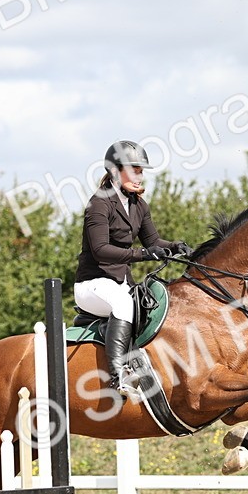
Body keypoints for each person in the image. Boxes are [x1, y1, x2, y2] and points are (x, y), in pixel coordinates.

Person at [75, 140, 192, 397]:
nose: (140, 176)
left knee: (151, 304)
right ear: (116, 171)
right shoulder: (99, 203)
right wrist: (142, 254)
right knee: (123, 304)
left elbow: (153, 242)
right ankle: (118, 377)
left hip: (119, 283)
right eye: (135, 169)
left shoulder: (139, 205)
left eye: (141, 170)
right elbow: (101, 250)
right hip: (92, 284)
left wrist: (175, 247)